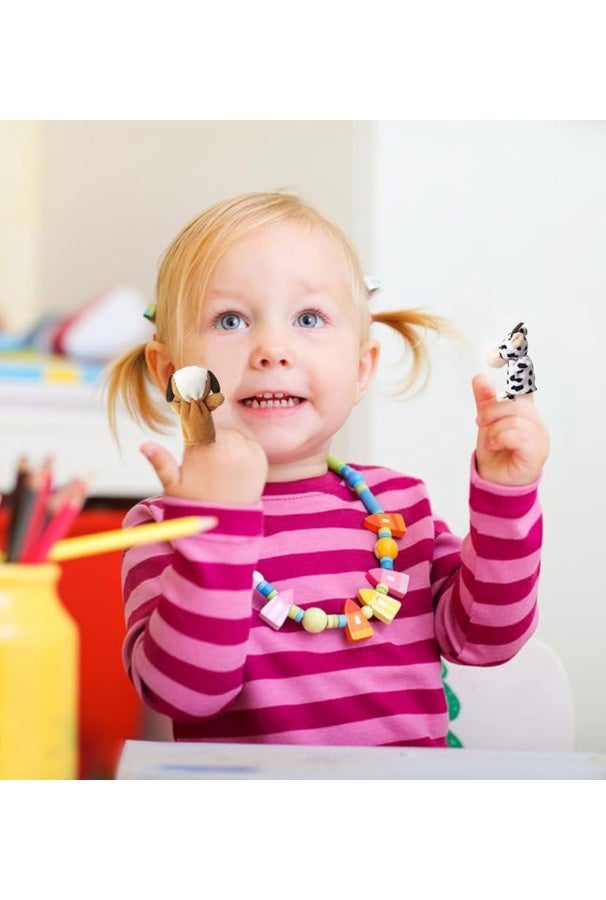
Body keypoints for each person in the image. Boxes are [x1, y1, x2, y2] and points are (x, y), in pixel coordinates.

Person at [106, 190, 549, 747]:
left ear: (361, 369)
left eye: (309, 318)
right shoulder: (166, 527)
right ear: (173, 372)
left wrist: (506, 496)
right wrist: (215, 533)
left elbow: (489, 638)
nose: (272, 348)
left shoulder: (400, 506)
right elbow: (184, 695)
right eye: (230, 319)